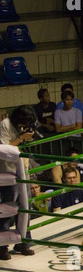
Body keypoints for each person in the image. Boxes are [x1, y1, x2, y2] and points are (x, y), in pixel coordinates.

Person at [0, 105, 37, 259]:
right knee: (8, 208)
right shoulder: (5, 125)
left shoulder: (22, 125)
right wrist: (21, 138)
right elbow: (4, 149)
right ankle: (2, 247)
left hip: (23, 169)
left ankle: (23, 242)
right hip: (7, 172)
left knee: (25, 207)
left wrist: (28, 137)